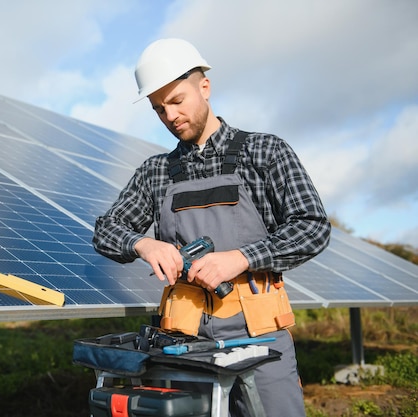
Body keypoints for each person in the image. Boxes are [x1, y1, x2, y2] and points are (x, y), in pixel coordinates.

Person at [92, 38, 331, 416]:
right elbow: (106, 231)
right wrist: (144, 245)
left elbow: (313, 226)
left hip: (261, 339)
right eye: (158, 109)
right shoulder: (155, 172)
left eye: (177, 100)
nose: (170, 116)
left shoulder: (266, 152)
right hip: (182, 345)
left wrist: (242, 258)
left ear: (204, 87)